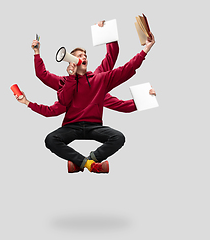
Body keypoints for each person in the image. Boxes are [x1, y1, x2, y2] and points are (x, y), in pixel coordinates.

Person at [44, 30, 155, 174]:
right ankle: (92, 165)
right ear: (72, 60)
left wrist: (146, 48)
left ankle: (84, 163)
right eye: (79, 56)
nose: (84, 57)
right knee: (50, 139)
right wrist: (71, 77)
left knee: (118, 137)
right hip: (71, 127)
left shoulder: (99, 79)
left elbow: (126, 69)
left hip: (94, 126)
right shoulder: (65, 81)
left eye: (85, 56)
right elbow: (64, 100)